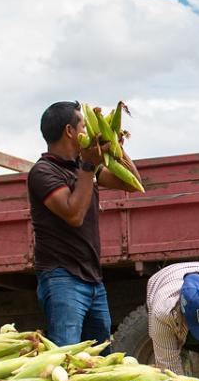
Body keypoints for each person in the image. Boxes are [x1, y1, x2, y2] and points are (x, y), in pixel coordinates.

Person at [29, 101, 138, 345]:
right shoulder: (43, 172)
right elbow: (73, 214)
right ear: (70, 131)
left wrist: (116, 148)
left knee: (99, 359)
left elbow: (133, 183)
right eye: (84, 126)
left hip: (93, 280)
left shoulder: (84, 169)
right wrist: (88, 165)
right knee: (68, 356)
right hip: (62, 279)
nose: (89, 132)